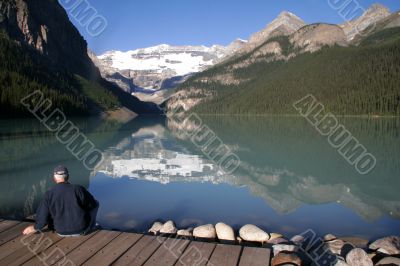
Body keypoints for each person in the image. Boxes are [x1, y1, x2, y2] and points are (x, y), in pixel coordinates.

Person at [23, 165, 99, 236]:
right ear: (68, 176)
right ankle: (92, 226)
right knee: (96, 203)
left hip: (60, 231)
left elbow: (43, 215)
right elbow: (92, 205)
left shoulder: (49, 194)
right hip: (81, 230)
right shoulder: (78, 189)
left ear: (54, 178)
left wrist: (35, 228)